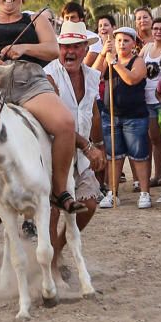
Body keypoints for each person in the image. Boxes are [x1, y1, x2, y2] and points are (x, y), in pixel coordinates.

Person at [0, 0, 79, 236]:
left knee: (65, 123)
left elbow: (53, 49)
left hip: (30, 82)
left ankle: (59, 190)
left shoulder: (36, 20)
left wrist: (24, 49)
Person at [43, 22, 105, 275]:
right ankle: (50, 264)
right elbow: (55, 121)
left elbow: (94, 112)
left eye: (75, 46)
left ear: (84, 49)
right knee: (52, 210)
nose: (69, 51)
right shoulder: (48, 75)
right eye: (65, 46)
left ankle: (56, 249)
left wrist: (100, 146)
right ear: (58, 48)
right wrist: (89, 146)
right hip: (52, 150)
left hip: (81, 154)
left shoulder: (92, 75)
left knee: (89, 204)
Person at [94, 26, 151, 208]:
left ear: (133, 43)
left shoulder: (138, 61)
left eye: (126, 40)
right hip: (111, 115)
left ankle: (144, 193)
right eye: (118, 40)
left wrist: (115, 64)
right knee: (114, 156)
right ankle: (113, 192)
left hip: (134, 116)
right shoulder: (109, 59)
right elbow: (93, 75)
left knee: (139, 156)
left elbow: (132, 79)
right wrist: (103, 55)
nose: (122, 44)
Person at [141, 17, 161, 187]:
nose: (158, 31)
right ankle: (157, 174)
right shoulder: (146, 49)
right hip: (146, 99)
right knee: (153, 139)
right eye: (156, 28)